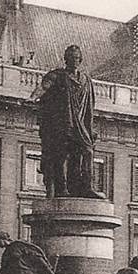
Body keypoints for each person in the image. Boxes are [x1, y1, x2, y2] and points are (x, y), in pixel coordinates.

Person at [33, 44, 103, 199]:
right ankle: (62, 188)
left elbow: (90, 107)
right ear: (66, 59)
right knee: (62, 154)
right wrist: (33, 97)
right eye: (71, 58)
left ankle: (86, 187)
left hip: (81, 125)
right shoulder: (58, 75)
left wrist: (89, 128)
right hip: (64, 123)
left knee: (88, 151)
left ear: (81, 60)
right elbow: (44, 87)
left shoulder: (86, 80)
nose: (74, 61)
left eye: (77, 58)